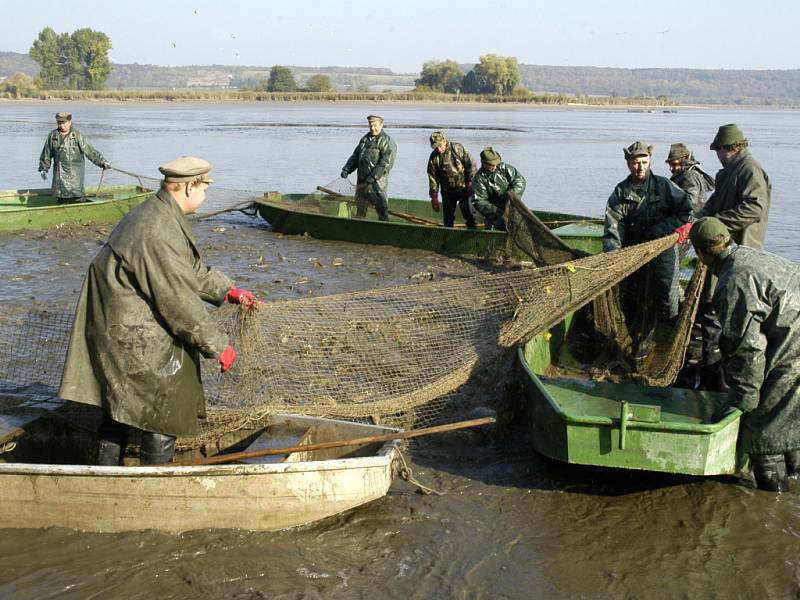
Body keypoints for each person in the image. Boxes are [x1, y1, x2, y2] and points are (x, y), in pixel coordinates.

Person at [59, 156, 258, 466]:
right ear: (189, 186)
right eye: (204, 189)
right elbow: (178, 301)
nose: (205, 196)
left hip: (118, 322)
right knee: (163, 403)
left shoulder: (161, 213)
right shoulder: (158, 228)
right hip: (126, 331)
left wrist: (227, 290)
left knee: (120, 406)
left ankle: (107, 473)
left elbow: (186, 269)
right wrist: (219, 346)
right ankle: (150, 483)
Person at [689, 217, 800, 492]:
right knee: (790, 418)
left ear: (701, 254)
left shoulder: (731, 283)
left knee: (762, 429)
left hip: (792, 348)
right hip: (793, 331)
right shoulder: (750, 255)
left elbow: (748, 351)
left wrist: (743, 400)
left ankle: (772, 504)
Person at [692, 125, 772, 389]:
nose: (717, 155)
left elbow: (755, 208)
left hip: (741, 252)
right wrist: (697, 221)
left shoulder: (749, 169)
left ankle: (724, 382)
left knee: (727, 316)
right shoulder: (728, 173)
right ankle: (711, 376)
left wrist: (716, 224)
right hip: (719, 253)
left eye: (718, 150)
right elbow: (713, 203)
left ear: (730, 148)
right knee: (711, 311)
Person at [603, 141, 693, 361]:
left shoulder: (664, 186)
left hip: (663, 252)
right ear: (628, 164)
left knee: (666, 300)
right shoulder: (620, 192)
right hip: (633, 255)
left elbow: (686, 211)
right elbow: (613, 228)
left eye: (644, 162)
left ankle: (666, 343)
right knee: (631, 302)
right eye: (635, 163)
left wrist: (661, 231)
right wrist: (615, 258)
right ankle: (638, 342)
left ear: (650, 161)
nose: (640, 167)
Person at [38, 112, 111, 204]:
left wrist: (103, 162)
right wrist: (43, 169)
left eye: (64, 123)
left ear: (70, 122)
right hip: (59, 179)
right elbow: (46, 155)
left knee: (78, 199)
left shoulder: (77, 136)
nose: (62, 125)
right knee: (61, 201)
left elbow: (90, 152)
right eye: (59, 123)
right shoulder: (52, 136)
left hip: (75, 179)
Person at [340, 114, 397, 221]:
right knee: (360, 207)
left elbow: (385, 163)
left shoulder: (387, 141)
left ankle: (384, 226)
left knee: (381, 207)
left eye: (375, 125)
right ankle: (360, 226)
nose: (372, 128)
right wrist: (347, 169)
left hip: (378, 183)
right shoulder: (365, 139)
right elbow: (356, 156)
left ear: (381, 125)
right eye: (370, 125)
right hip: (362, 180)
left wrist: (373, 177)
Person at [426, 131, 477, 229]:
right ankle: (448, 239)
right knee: (448, 220)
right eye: (435, 147)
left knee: (470, 216)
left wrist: (470, 183)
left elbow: (471, 165)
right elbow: (432, 177)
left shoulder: (457, 148)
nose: (438, 149)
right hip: (447, 191)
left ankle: (472, 236)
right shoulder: (434, 157)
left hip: (464, 189)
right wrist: (434, 197)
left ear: (445, 141)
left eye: (440, 146)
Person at [471, 147, 526, 231]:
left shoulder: (504, 168)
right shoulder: (479, 179)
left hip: (511, 207)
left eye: (495, 164)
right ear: (483, 163)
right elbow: (479, 201)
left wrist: (512, 195)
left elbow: (520, 181)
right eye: (491, 165)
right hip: (494, 214)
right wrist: (498, 212)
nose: (494, 167)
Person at [665, 142, 715, 214]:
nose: (671, 168)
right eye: (670, 165)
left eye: (674, 164)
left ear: (684, 160)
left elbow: (691, 202)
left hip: (690, 219)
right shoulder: (691, 173)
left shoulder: (689, 175)